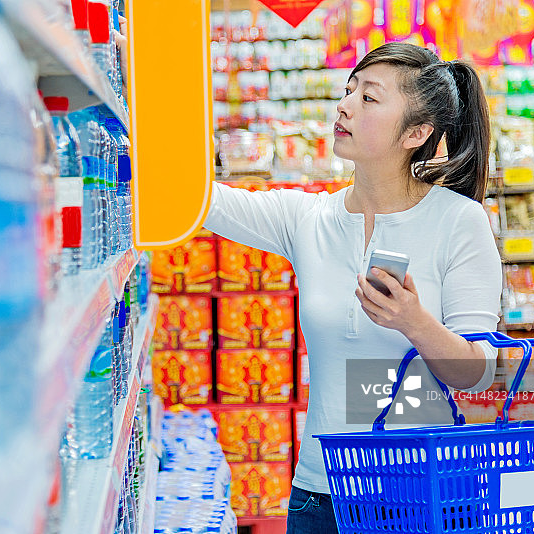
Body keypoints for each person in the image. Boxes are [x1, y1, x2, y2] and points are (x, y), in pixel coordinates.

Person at [202, 42, 502, 534]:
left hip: (423, 494)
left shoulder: (458, 222)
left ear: (417, 133)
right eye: (349, 90)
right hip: (320, 494)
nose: (344, 105)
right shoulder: (308, 219)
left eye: (369, 98)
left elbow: (477, 373)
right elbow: (200, 199)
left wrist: (415, 323)